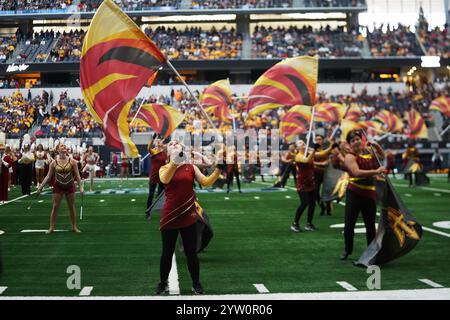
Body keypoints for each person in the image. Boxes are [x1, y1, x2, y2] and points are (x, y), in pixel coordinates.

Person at [155, 141, 224, 295]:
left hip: (188, 214)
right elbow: (165, 179)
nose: (174, 144)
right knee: (167, 252)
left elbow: (205, 182)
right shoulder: (164, 168)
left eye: (177, 144)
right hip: (170, 216)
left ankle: (196, 283)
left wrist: (218, 170)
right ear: (167, 152)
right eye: (171, 144)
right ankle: (162, 282)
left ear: (182, 150)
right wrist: (175, 162)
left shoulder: (191, 167)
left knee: (191, 252)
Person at [341, 129, 386, 261]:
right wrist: (376, 171)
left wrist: (376, 145)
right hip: (354, 192)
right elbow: (356, 173)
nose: (356, 142)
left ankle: (371, 251)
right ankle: (347, 250)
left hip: (369, 193)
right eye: (353, 140)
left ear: (361, 140)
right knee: (349, 224)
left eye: (357, 139)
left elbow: (381, 157)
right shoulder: (349, 156)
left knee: (370, 225)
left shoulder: (369, 151)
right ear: (349, 144)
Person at [37, 142, 84, 234]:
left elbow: (78, 176)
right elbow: (48, 176)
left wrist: (81, 188)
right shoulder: (53, 163)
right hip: (58, 186)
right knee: (55, 206)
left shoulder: (72, 161)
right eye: (62, 146)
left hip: (70, 186)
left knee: (71, 206)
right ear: (58, 149)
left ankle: (74, 227)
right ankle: (51, 228)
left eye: (65, 146)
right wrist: (41, 187)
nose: (64, 147)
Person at [145, 134, 167, 220]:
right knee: (151, 194)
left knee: (160, 196)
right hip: (154, 176)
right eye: (157, 141)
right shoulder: (154, 151)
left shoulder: (165, 152)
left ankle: (160, 211)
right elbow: (148, 148)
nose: (158, 142)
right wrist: (153, 138)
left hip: (162, 176)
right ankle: (148, 212)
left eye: (159, 140)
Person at [313, 135, 332, 216]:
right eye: (316, 139)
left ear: (323, 140)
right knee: (315, 192)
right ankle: (322, 207)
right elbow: (311, 162)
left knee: (327, 191)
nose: (318, 141)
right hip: (316, 174)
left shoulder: (326, 149)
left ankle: (328, 208)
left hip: (325, 173)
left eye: (319, 139)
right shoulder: (312, 150)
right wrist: (321, 163)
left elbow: (330, 159)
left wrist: (328, 162)